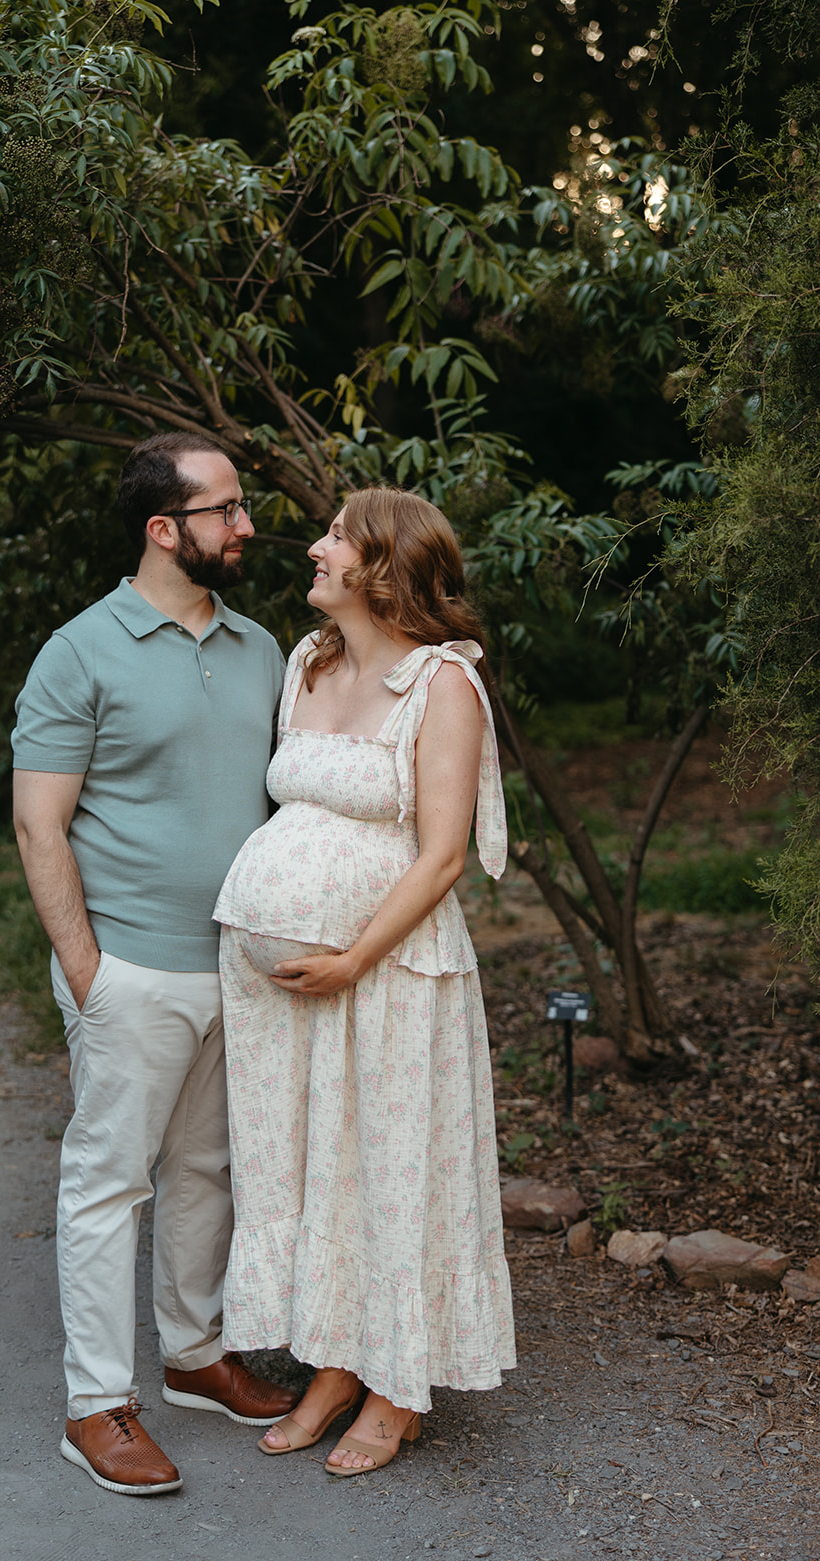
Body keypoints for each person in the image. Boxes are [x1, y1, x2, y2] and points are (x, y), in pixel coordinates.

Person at [12, 433, 296, 1497]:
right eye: (224, 509)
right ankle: (96, 1404)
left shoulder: (261, 647)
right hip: (127, 964)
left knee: (206, 1170)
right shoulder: (78, 650)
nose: (246, 525)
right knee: (105, 1186)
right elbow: (39, 826)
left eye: (241, 506)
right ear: (163, 528)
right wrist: (88, 971)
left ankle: (192, 1355)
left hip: (237, 967)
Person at [213, 484, 516, 1478]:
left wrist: (349, 956)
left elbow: (439, 856)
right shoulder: (309, 661)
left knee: (390, 1168)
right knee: (312, 1167)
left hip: (388, 974)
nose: (313, 546)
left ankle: (395, 1388)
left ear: (382, 564)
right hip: (281, 992)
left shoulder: (441, 685)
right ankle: (334, 1364)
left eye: (335, 537)